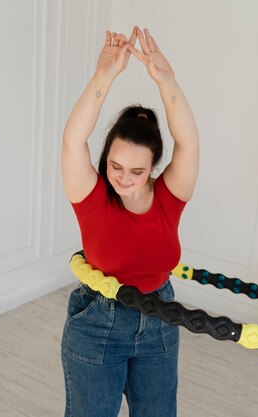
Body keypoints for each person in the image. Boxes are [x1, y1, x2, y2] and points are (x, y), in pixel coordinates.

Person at [60, 25, 199, 417]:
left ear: (154, 167)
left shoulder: (170, 197)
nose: (123, 178)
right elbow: (73, 141)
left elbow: (188, 142)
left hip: (160, 319)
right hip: (98, 321)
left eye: (137, 171)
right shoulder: (92, 197)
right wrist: (104, 75)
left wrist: (167, 82)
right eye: (115, 166)